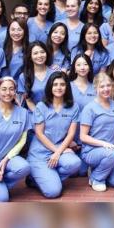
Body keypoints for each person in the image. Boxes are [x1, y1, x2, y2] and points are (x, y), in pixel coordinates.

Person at [28, 71, 82, 199]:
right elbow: (39, 134)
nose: (58, 87)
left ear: (67, 87)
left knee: (75, 163)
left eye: (62, 84)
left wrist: (58, 152)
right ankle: (36, 177)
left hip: (58, 149)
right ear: (50, 87)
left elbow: (71, 134)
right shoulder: (41, 106)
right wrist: (58, 152)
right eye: (55, 84)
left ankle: (48, 176)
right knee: (53, 192)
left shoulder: (73, 107)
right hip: (40, 153)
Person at [0, 77, 31, 202]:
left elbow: (22, 140)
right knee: (1, 199)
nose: (7, 93)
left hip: (7, 160)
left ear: (15, 92)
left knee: (24, 167)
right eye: (3, 89)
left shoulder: (23, 113)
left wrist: (7, 158)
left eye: (11, 89)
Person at [80, 71, 114, 192]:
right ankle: (96, 178)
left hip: (112, 153)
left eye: (108, 86)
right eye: (102, 86)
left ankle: (98, 170)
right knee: (112, 154)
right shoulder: (89, 108)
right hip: (92, 151)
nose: (106, 89)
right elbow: (83, 137)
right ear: (96, 88)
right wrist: (105, 144)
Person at [17, 42, 55, 112]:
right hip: (34, 114)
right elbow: (28, 101)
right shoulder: (23, 77)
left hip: (54, 114)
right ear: (30, 57)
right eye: (35, 53)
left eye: (42, 52)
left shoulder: (55, 73)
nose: (40, 55)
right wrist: (39, 115)